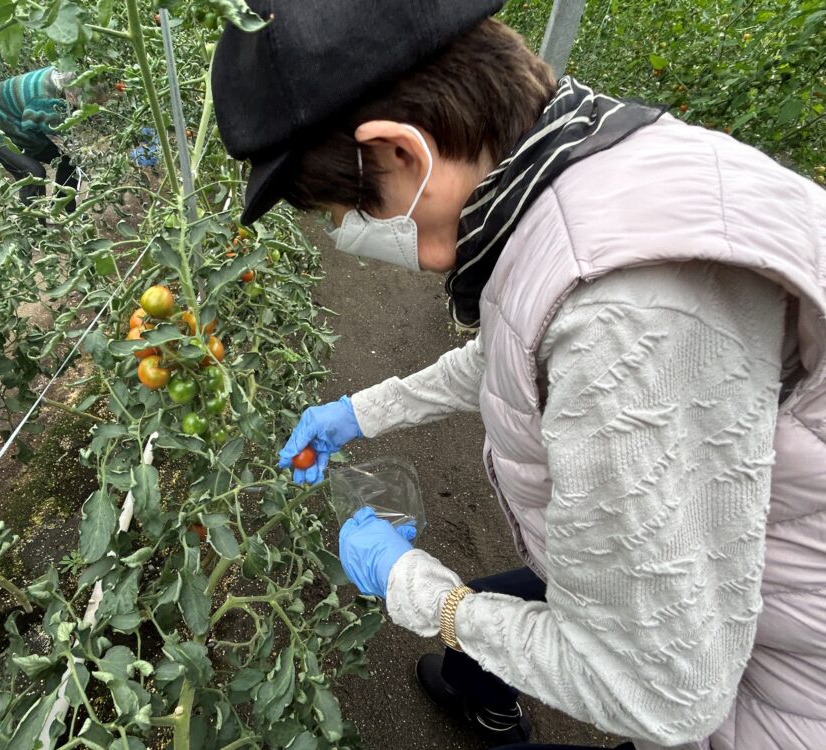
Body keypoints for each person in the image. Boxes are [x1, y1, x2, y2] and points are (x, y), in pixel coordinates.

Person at [211, 2, 826, 750]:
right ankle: (480, 692)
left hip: (778, 695)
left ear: (402, 153)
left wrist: (416, 587)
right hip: (734, 576)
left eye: (345, 209)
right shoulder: (600, 163)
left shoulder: (623, 316)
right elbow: (513, 350)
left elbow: (666, 696)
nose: (348, 234)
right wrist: (361, 410)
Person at [0, 67, 92, 213]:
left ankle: (63, 211)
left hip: (12, 119)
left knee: (70, 158)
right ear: (72, 94)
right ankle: (35, 230)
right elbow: (43, 128)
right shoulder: (43, 98)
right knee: (32, 173)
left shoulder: (62, 77)